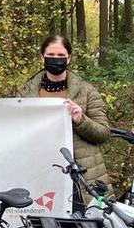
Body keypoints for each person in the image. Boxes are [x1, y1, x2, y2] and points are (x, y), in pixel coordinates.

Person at [16, 34, 111, 189]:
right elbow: (15, 131)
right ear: (42, 58)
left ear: (68, 58)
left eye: (60, 55)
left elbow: (103, 133)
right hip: (38, 171)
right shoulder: (25, 93)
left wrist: (81, 120)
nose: (56, 59)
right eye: (51, 55)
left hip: (79, 174)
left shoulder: (86, 91)